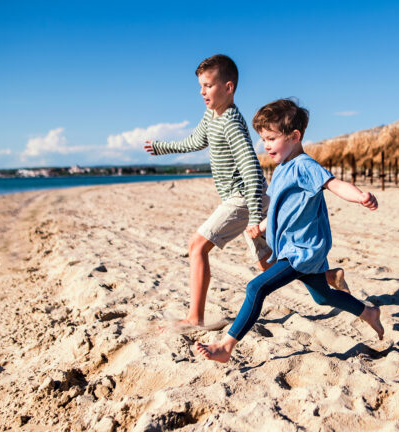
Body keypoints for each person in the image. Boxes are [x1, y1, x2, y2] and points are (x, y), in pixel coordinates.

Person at [144, 55, 349, 328]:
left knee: (197, 246)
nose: (202, 92)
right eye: (200, 86)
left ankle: (195, 317)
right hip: (249, 200)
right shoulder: (211, 116)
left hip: (244, 198)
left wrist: (254, 217)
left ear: (228, 87)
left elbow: (252, 169)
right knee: (268, 262)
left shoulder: (231, 122)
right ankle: (327, 277)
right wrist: (162, 147)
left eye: (208, 85)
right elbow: (195, 140)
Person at [195, 99, 384, 363]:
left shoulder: (306, 166)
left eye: (271, 138)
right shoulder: (282, 168)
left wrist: (361, 196)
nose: (266, 145)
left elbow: (334, 184)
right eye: (263, 139)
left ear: (294, 136)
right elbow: (278, 208)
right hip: (290, 247)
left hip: (302, 251)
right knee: (323, 297)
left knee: (256, 288)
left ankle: (226, 346)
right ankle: (368, 312)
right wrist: (260, 227)